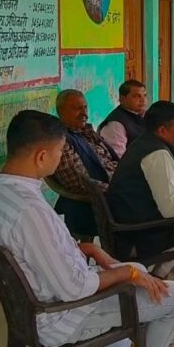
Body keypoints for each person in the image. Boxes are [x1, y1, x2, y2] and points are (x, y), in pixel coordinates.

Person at [0, 110, 174, 347]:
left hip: (32, 302)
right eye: (60, 151)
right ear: (41, 156)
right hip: (59, 315)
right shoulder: (30, 211)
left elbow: (33, 250)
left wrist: (88, 249)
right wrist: (127, 273)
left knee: (133, 272)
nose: (60, 158)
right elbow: (74, 288)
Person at [106, 100, 174, 260]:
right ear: (163, 130)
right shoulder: (157, 155)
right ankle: (165, 269)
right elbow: (169, 208)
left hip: (133, 223)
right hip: (138, 235)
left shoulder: (145, 141)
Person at [51, 88, 119, 238]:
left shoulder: (85, 132)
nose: (84, 113)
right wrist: (119, 189)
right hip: (98, 202)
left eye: (85, 107)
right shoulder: (61, 141)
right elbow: (80, 182)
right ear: (61, 111)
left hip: (116, 186)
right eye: (76, 108)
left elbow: (111, 160)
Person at [99, 80, 149, 157]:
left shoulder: (146, 116)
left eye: (144, 95)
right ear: (122, 99)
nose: (143, 100)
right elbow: (118, 157)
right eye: (136, 96)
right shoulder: (115, 124)